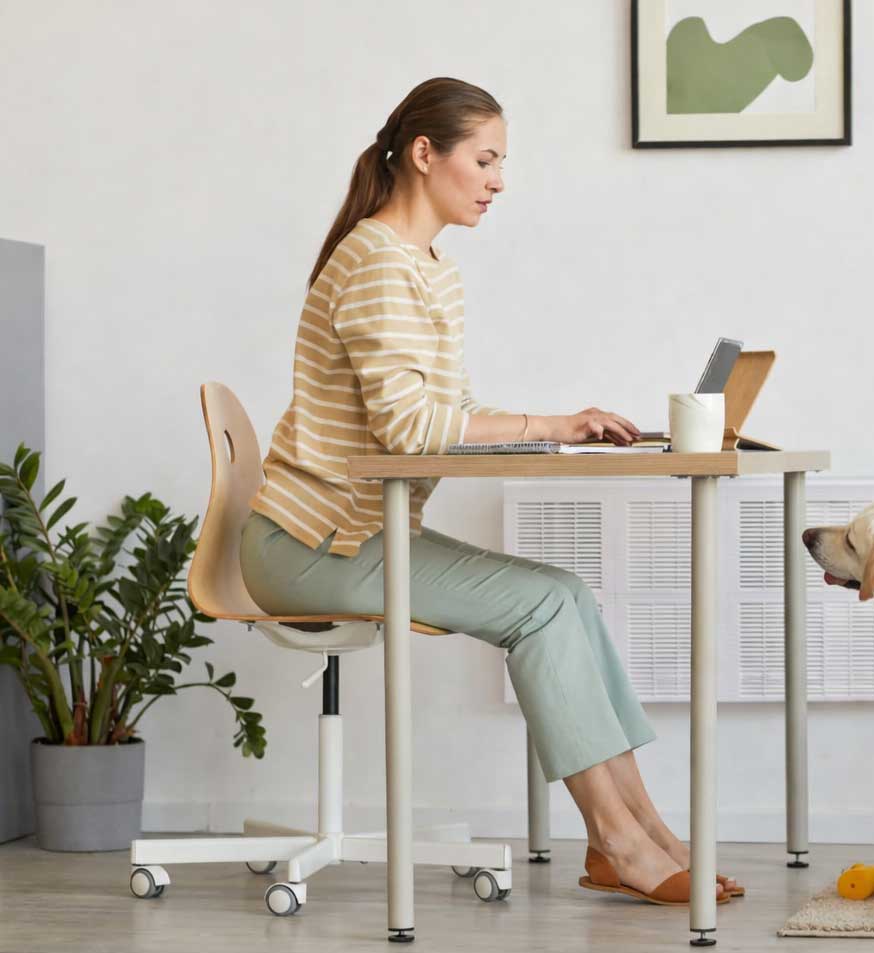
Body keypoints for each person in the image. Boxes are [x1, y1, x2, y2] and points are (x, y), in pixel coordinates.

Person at [240, 76, 741, 906]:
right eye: (486, 158)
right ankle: (619, 840)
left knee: (565, 594)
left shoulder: (430, 270)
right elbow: (407, 427)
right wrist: (544, 423)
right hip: (312, 544)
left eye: (501, 161)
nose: (499, 180)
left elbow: (448, 409)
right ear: (425, 154)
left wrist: (560, 424)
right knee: (541, 606)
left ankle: (644, 832)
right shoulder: (373, 260)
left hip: (363, 532)